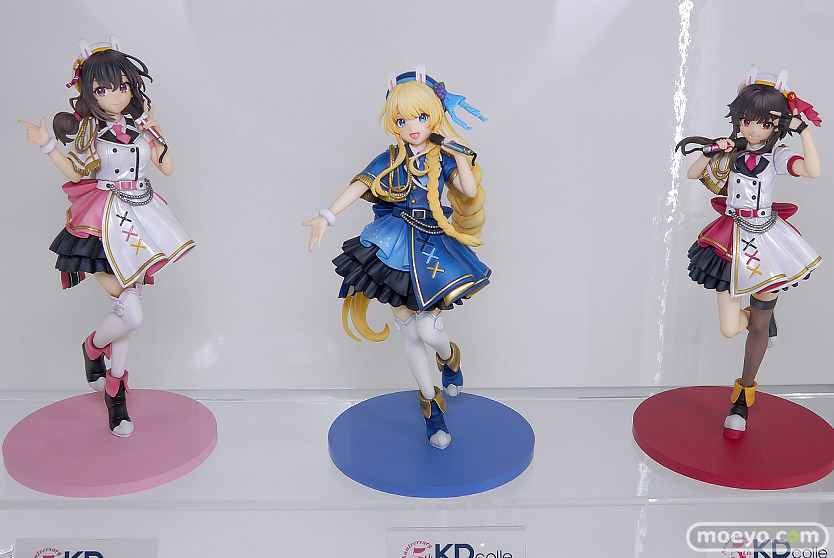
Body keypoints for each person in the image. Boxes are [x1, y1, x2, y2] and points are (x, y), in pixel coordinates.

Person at [304, 65, 489, 449]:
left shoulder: (442, 156)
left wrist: (458, 151)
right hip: (395, 244)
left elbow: (469, 191)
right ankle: (431, 405)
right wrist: (327, 216)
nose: (412, 127)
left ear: (434, 115)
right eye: (403, 120)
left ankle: (449, 356)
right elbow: (361, 184)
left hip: (433, 243)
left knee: (429, 332)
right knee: (410, 331)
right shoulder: (391, 157)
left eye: (420, 117)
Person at [19, 35, 194, 437]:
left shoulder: (141, 129)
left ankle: (115, 389)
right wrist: (46, 145)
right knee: (130, 314)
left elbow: (166, 168)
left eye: (123, 85)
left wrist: (156, 130)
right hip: (104, 222)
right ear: (89, 92)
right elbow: (75, 172)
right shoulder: (90, 134)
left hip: (145, 216)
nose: (115, 95)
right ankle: (93, 347)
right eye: (103, 89)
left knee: (129, 314)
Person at [677, 65, 821, 439]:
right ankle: (765, 320)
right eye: (747, 120)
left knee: (755, 326)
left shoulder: (777, 157)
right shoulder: (733, 151)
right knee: (730, 329)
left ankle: (742, 398)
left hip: (768, 241)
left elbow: (813, 170)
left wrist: (803, 130)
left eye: (764, 123)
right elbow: (693, 174)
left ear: (776, 124)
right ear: (739, 119)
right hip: (730, 239)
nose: (754, 129)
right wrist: (712, 150)